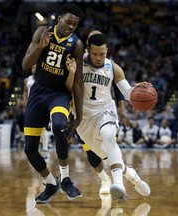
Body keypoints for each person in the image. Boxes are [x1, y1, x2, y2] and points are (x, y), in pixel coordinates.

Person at [67, 33, 150, 202]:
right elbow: (67, 87)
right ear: (88, 50)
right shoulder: (77, 61)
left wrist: (137, 90)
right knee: (106, 156)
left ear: (107, 51)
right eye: (95, 54)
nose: (99, 58)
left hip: (105, 110)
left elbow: (127, 92)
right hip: (83, 118)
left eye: (102, 54)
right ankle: (133, 176)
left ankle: (118, 184)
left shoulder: (113, 67)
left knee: (108, 135)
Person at [21, 3, 84, 203]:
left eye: (75, 24)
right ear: (59, 19)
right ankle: (50, 182)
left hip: (59, 93)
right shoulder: (42, 32)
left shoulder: (77, 44)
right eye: (69, 22)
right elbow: (25, 65)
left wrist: (79, 116)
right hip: (38, 91)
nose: (71, 26)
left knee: (58, 126)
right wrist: (40, 48)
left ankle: (65, 178)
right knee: (30, 148)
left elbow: (79, 82)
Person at [22, 65, 49, 159]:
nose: (34, 69)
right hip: (31, 105)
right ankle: (33, 149)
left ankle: (45, 149)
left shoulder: (43, 78)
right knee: (30, 128)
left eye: (35, 67)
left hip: (41, 105)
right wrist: (25, 103)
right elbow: (25, 92)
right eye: (32, 68)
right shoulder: (27, 80)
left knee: (42, 129)